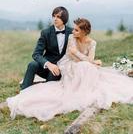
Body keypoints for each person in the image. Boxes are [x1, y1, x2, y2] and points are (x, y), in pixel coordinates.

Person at [5, 18, 133, 121]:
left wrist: (81, 55)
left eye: (77, 30)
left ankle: (86, 89)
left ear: (84, 32)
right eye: (74, 29)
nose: (73, 32)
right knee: (86, 66)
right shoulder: (72, 38)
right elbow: (71, 56)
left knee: (89, 67)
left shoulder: (92, 43)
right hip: (69, 64)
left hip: (82, 63)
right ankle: (77, 88)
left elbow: (88, 59)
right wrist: (83, 58)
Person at [21, 6, 72, 90]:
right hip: (47, 67)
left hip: (62, 68)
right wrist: (48, 64)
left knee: (53, 77)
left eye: (58, 17)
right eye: (54, 16)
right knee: (32, 65)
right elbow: (36, 54)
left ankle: (46, 94)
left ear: (64, 18)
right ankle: (24, 91)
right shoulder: (46, 32)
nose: (55, 19)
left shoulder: (71, 32)